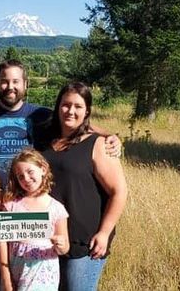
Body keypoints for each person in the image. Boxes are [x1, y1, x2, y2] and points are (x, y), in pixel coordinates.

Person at [0, 59, 121, 213]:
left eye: (16, 81)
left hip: (27, 209)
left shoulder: (41, 115)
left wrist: (109, 136)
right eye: (4, 81)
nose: (10, 86)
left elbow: (77, 122)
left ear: (26, 84)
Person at [41, 82, 128, 291]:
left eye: (78, 106)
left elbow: (119, 192)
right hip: (48, 238)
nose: (70, 111)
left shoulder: (97, 145)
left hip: (85, 241)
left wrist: (104, 233)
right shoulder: (44, 139)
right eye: (65, 105)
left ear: (87, 111)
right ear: (58, 106)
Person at [0, 148, 69, 291]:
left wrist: (61, 245)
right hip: (15, 271)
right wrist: (5, 276)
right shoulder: (11, 206)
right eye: (20, 176)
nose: (26, 179)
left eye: (30, 172)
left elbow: (65, 247)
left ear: (42, 169)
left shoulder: (56, 209)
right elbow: (2, 242)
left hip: (43, 273)